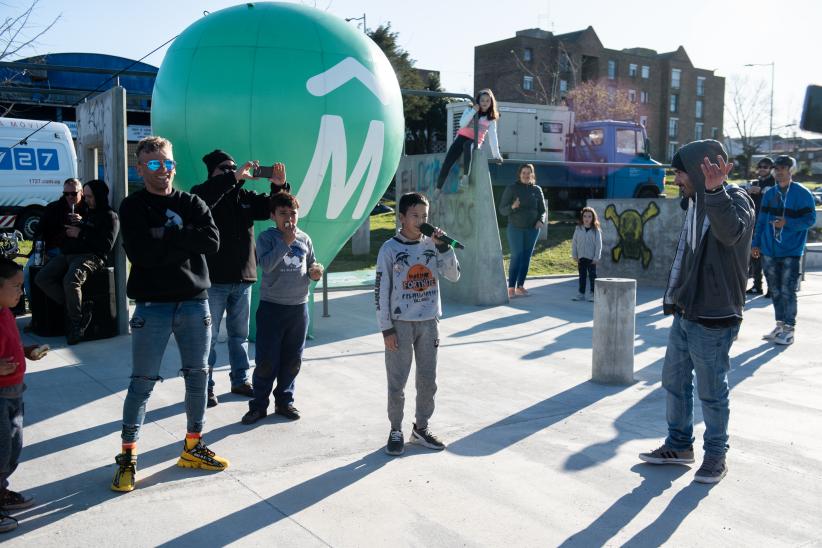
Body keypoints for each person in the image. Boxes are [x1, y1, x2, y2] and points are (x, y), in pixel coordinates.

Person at [112, 136, 227, 493]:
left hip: (195, 302)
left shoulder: (192, 202)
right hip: (152, 307)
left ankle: (193, 446)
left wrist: (165, 237)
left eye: (167, 164)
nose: (163, 171)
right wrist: (184, 236)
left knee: (198, 377)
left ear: (174, 165)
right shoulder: (131, 207)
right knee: (142, 383)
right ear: (140, 168)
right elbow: (142, 254)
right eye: (153, 165)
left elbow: (212, 242)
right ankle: (128, 458)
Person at [639, 139, 754, 484]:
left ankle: (716, 456)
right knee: (673, 382)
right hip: (687, 311)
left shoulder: (736, 200)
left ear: (699, 170)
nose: (676, 181)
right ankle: (679, 445)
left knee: (711, 391)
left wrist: (715, 191)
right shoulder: (693, 206)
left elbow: (730, 233)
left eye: (680, 174)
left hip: (715, 316)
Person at [191, 150, 290, 408]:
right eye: (223, 169)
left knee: (239, 335)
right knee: (209, 338)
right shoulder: (203, 194)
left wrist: (278, 186)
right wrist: (231, 178)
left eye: (233, 167)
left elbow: (273, 208)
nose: (231, 171)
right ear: (213, 173)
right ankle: (206, 386)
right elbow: (203, 198)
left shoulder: (244, 197)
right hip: (214, 280)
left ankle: (240, 379)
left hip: (243, 279)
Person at [375, 192, 460, 456]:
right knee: (397, 381)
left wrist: (445, 247)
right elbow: (380, 291)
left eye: (425, 216)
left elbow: (454, 275)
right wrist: (386, 328)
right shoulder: (390, 249)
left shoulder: (433, 245)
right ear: (401, 218)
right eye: (415, 216)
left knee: (427, 379)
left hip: (428, 322)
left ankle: (421, 428)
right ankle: (396, 429)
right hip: (400, 324)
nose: (421, 220)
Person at [241, 192, 323, 425]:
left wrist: (315, 272)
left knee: (292, 359)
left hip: (298, 308)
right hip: (272, 308)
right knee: (267, 360)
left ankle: (285, 401)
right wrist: (285, 242)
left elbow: (311, 265)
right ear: (273, 216)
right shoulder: (267, 238)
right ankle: (258, 405)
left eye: (293, 213)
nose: (289, 218)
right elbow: (265, 266)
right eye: (283, 213)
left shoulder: (305, 239)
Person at [34, 179, 119, 344]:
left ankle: (76, 324)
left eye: (89, 197)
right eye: (85, 196)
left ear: (99, 196)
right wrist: (78, 226)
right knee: (41, 277)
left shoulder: (110, 216)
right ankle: (74, 308)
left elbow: (106, 245)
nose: (85, 200)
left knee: (70, 280)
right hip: (69, 254)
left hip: (91, 256)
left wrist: (80, 233)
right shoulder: (87, 212)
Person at [0, 257, 47, 533]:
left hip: (15, 392)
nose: (22, 292)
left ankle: (1, 491)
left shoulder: (6, 313)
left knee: (12, 446)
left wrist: (26, 350)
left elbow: (10, 342)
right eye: (16, 286)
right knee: (1, 449)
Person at [751, 155, 816, 346]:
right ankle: (779, 325)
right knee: (776, 290)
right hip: (769, 250)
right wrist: (756, 244)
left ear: (791, 170)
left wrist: (788, 223)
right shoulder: (770, 194)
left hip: (791, 251)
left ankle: (789, 329)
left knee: (788, 291)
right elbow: (761, 221)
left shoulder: (802, 194)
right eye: (776, 169)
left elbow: (810, 220)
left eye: (783, 169)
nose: (778, 172)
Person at [24, 178, 86, 303]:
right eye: (66, 194)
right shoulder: (53, 208)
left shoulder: (87, 209)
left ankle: (71, 308)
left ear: (81, 193)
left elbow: (93, 232)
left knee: (71, 279)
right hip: (51, 250)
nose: (69, 197)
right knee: (27, 272)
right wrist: (42, 252)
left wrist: (82, 222)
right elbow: (39, 232)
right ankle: (35, 310)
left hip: (73, 253)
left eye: (73, 193)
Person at [435, 89, 502, 191]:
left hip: (475, 141)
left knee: (468, 145)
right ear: (478, 101)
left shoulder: (491, 119)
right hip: (462, 136)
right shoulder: (470, 109)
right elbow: (462, 124)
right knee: (448, 161)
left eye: (487, 101)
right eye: (482, 100)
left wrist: (496, 155)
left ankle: (466, 176)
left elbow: (493, 137)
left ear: (491, 102)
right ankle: (438, 188)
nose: (484, 103)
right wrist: (473, 111)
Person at [498, 163, 546, 298]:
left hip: (532, 230)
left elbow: (543, 210)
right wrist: (513, 206)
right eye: (523, 172)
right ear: (519, 174)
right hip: (515, 229)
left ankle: (520, 286)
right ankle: (511, 287)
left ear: (532, 175)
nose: (526, 175)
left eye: (528, 173)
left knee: (526, 257)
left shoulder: (537, 190)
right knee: (517, 256)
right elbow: (502, 210)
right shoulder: (512, 188)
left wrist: (541, 220)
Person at [745, 157, 776, 295]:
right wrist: (749, 190)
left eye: (766, 166)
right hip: (755, 223)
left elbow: (774, 195)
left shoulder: (774, 183)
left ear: (771, 169)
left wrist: (761, 190)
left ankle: (772, 288)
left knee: (768, 257)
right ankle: (757, 286)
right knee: (755, 256)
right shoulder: (754, 182)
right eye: (761, 166)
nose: (763, 169)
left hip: (769, 225)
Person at [571, 206, 603, 302]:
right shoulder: (578, 228)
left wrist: (596, 257)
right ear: (582, 217)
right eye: (585, 216)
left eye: (589, 216)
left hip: (592, 258)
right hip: (581, 257)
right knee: (582, 276)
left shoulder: (596, 230)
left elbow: (599, 245)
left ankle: (593, 294)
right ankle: (581, 294)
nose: (587, 218)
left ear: (593, 218)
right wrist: (574, 255)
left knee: (592, 276)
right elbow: (574, 243)